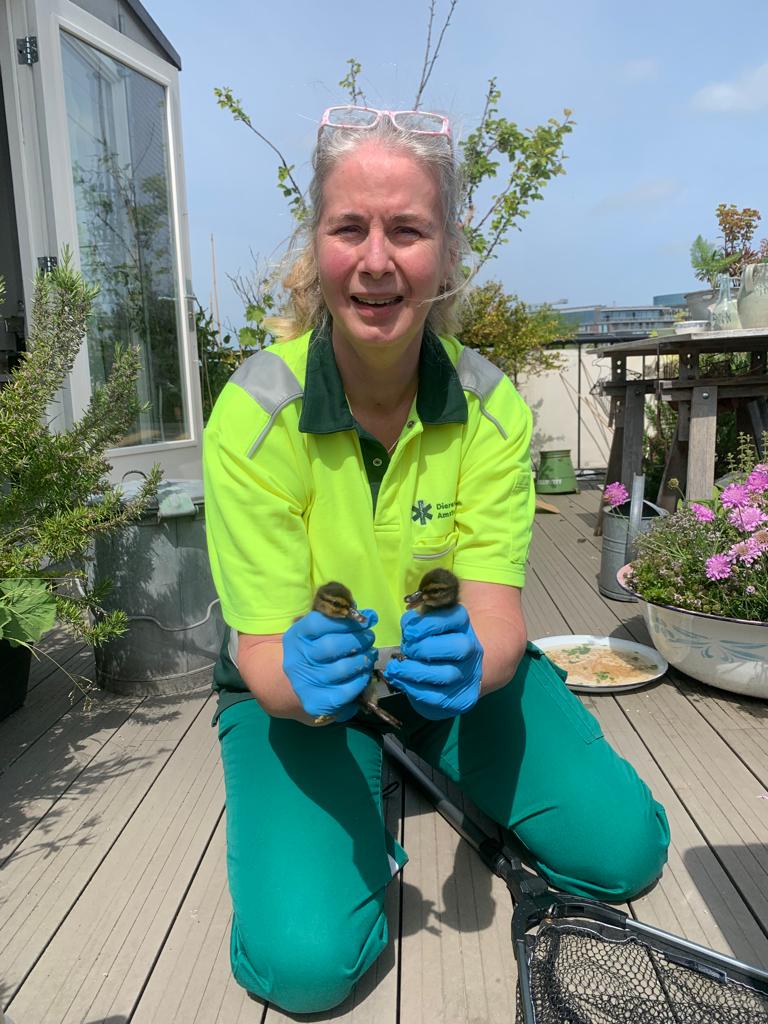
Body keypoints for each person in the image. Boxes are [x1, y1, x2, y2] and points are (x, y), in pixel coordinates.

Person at [203, 105, 670, 1014]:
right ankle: (362, 790)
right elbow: (262, 652)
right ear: (317, 247)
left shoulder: (493, 408)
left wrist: (473, 663)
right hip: (298, 708)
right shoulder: (252, 412)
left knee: (624, 853)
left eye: (407, 230)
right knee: (305, 968)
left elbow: (497, 623)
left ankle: (404, 772)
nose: (376, 260)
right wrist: (298, 680)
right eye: (350, 228)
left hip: (449, 695)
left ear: (446, 254)